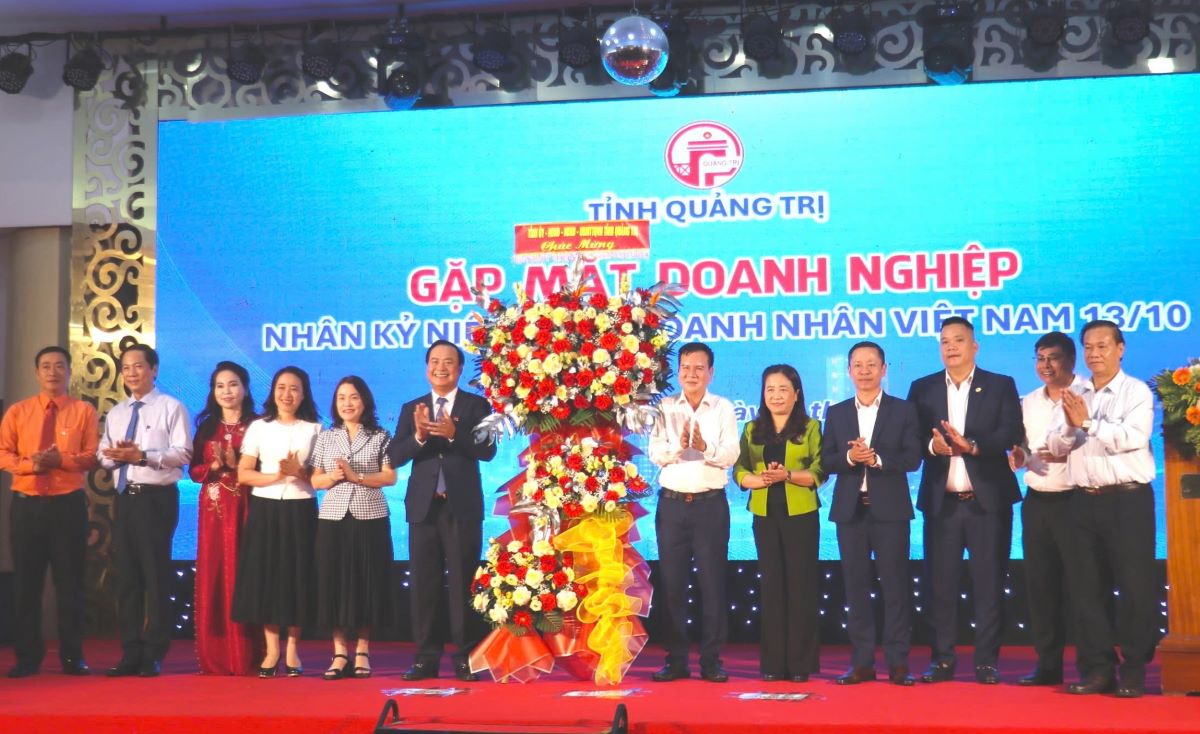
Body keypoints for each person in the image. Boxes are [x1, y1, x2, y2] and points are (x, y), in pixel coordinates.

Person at [906, 317, 1022, 684]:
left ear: (974, 346)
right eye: (944, 341)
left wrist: (970, 446)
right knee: (940, 585)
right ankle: (942, 660)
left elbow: (1010, 432)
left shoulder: (1000, 385)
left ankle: (986, 662)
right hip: (943, 505)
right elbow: (909, 440)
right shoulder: (922, 388)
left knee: (989, 584)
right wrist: (932, 446)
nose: (951, 347)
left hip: (987, 504)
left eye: (959, 340)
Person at [1047, 320, 1157, 698]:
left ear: (1120, 348)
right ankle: (1097, 668)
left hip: (1127, 500)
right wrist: (1068, 426)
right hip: (1082, 501)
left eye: (1102, 346)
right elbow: (1056, 446)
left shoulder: (1136, 391)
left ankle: (1135, 668)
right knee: (1086, 590)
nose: (1095, 354)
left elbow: (1133, 438)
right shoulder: (1075, 392)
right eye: (1089, 348)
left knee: (1134, 587)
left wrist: (1089, 423)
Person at [388, 340, 497, 682]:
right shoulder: (412, 408)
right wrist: (419, 437)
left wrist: (454, 435)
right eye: (434, 362)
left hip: (461, 507)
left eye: (448, 362)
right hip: (423, 508)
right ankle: (426, 658)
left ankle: (466, 657)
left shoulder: (477, 405)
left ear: (460, 369)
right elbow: (394, 455)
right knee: (424, 584)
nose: (441, 367)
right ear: (426, 368)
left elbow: (488, 451)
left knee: (464, 583)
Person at [822, 341, 922, 686]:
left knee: (895, 588)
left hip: (890, 512)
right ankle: (862, 663)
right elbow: (827, 459)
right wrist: (852, 459)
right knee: (856, 589)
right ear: (848, 371)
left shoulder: (904, 410)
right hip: (851, 513)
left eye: (871, 365)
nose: (864, 371)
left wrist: (876, 459)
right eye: (857, 365)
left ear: (883, 369)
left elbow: (913, 458)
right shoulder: (837, 413)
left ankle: (898, 664)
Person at [0, 346, 98, 678]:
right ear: (36, 373)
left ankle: (73, 656)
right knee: (27, 584)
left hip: (67, 506)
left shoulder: (84, 411)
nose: (53, 371)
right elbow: (3, 453)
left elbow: (90, 457)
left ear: (70, 372)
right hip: (27, 507)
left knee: (70, 584)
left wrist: (60, 461)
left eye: (59, 366)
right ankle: (27, 657)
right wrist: (31, 465)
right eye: (46, 366)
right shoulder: (18, 411)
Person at [98, 343, 192, 678]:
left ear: (154, 369)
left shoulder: (171, 407)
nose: (131, 373)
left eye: (138, 366)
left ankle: (153, 653)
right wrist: (117, 455)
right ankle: (130, 652)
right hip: (125, 499)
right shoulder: (118, 412)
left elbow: (183, 453)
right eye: (126, 368)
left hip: (156, 498)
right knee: (128, 579)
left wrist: (141, 456)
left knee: (155, 576)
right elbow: (103, 456)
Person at [648, 342, 740, 683]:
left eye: (699, 368)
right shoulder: (665, 406)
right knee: (672, 585)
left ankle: (712, 660)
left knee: (712, 585)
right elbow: (656, 452)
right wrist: (679, 446)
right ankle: (676, 659)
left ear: (711, 373)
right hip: (672, 505)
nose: (692, 374)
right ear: (679, 370)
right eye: (686, 367)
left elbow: (731, 453)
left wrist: (704, 447)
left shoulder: (723, 408)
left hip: (709, 506)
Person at [733, 364, 825, 682]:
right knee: (771, 588)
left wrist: (788, 475)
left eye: (783, 389)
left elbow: (819, 471)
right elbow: (739, 468)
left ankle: (800, 665)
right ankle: (773, 664)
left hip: (801, 515)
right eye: (770, 389)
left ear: (796, 393)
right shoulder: (751, 429)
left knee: (801, 588)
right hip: (764, 515)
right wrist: (753, 480)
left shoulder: (811, 427)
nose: (776, 395)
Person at [231, 366, 321, 678]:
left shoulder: (315, 430)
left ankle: (293, 650)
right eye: (281, 387)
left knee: (296, 578)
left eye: (294, 388)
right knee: (268, 578)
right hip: (265, 507)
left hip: (301, 508)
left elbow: (319, 478)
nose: (287, 394)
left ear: (303, 393)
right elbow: (244, 474)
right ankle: (271, 651)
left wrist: (299, 473)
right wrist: (277, 475)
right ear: (273, 392)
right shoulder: (259, 427)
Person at [1008, 332, 1084, 687]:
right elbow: (1023, 446)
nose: (1046, 366)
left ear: (1071, 360)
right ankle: (1048, 664)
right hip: (1037, 501)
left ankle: (1092, 665)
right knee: (1041, 587)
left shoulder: (1088, 394)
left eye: (1053, 358)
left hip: (1076, 500)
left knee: (1083, 587)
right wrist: (1019, 456)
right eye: (1040, 359)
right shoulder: (1030, 401)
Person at [311, 376, 397, 680]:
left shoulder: (380, 436)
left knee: (366, 582)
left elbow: (389, 477)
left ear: (365, 401)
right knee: (333, 583)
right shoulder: (326, 437)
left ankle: (362, 650)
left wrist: (357, 475)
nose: (347, 403)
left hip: (369, 516)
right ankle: (339, 653)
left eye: (354, 397)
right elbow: (315, 480)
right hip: (333, 518)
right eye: (341, 398)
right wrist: (334, 477)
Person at [189, 361, 258, 675]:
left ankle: (249, 654)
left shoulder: (259, 425)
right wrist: (214, 468)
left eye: (233, 384)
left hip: (248, 506)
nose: (227, 392)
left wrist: (239, 463)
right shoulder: (206, 427)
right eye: (220, 386)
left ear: (244, 388)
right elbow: (193, 471)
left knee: (246, 574)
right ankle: (215, 656)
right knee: (215, 575)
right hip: (214, 511)